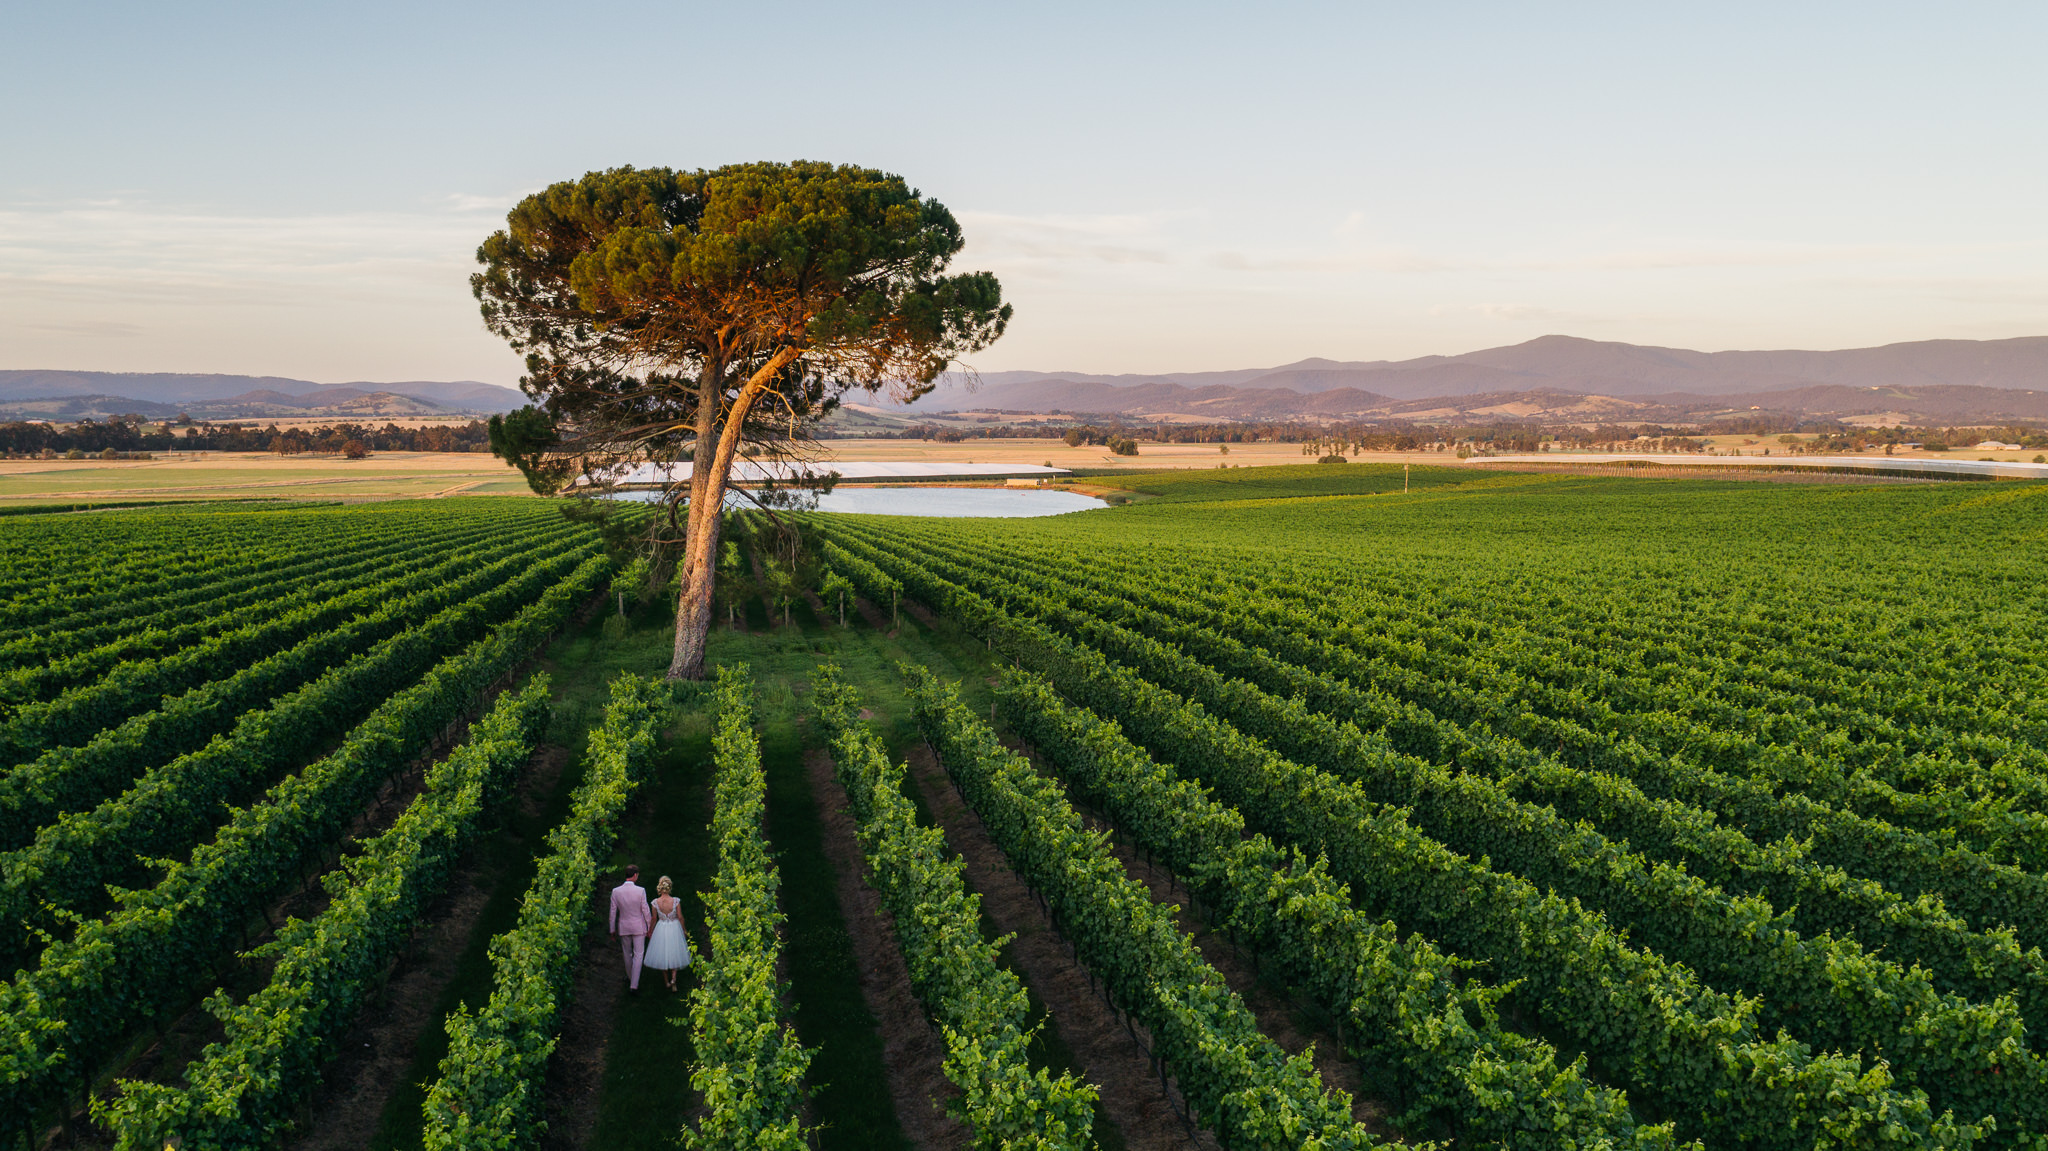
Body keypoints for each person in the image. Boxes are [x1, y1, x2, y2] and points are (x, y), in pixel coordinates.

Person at [642, 876, 692, 991]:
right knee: (674, 952)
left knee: (662, 954)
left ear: (660, 888)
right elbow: (680, 917)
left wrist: (650, 931)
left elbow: (654, 918)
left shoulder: (655, 902)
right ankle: (674, 979)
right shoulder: (675, 901)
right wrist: (684, 929)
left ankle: (667, 982)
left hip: (661, 928)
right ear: (669, 887)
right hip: (674, 927)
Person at [608, 864, 652, 993]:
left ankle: (630, 977)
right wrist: (650, 926)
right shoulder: (640, 891)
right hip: (638, 926)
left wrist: (612, 929)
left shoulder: (616, 891)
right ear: (635, 875)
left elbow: (612, 912)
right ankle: (634, 984)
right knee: (638, 955)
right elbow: (645, 910)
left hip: (624, 926)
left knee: (627, 953)